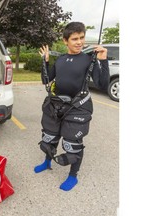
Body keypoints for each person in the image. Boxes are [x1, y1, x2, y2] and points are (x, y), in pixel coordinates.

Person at [34, 22, 109, 191]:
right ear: (65, 41)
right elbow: (46, 80)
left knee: (72, 144)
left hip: (78, 107)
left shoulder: (89, 58)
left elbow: (102, 84)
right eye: (75, 39)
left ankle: (73, 176)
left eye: (81, 38)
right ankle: (47, 162)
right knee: (49, 137)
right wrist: (45, 62)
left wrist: (103, 60)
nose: (79, 42)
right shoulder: (60, 59)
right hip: (56, 105)